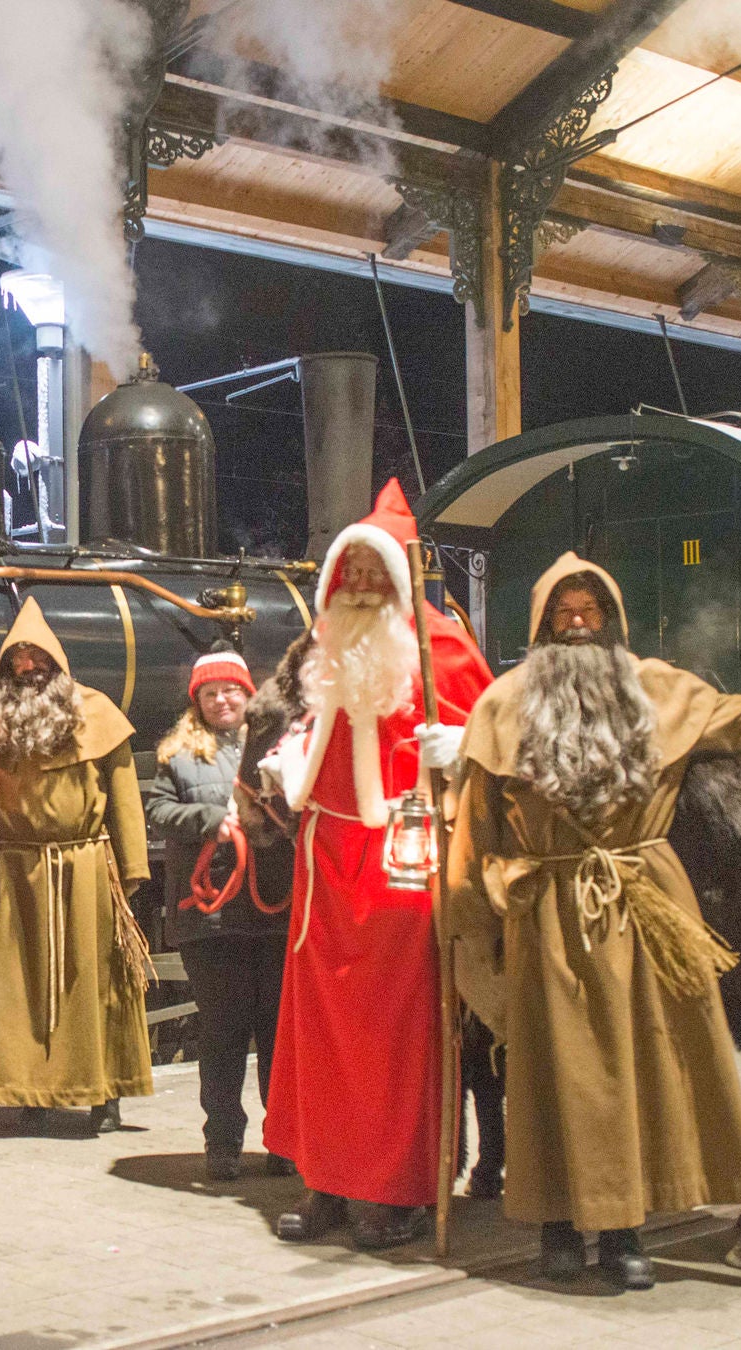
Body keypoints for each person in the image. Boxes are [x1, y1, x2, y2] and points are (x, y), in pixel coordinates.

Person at [446, 553, 741, 1290]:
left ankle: (621, 1231)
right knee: (549, 1078)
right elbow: (475, 829)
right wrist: (473, 916)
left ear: (611, 623)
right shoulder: (504, 705)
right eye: (564, 612)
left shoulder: (657, 691)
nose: (578, 624)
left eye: (590, 611)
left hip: (636, 908)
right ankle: (557, 1229)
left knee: (632, 1071)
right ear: (544, 623)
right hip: (547, 910)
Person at [258, 481, 492, 1251]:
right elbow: (318, 737)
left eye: (372, 573)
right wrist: (286, 763)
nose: (358, 587)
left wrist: (464, 751)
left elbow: (497, 740)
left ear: (399, 579)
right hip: (326, 873)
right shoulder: (326, 653)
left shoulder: (441, 647)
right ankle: (327, 1179)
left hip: (402, 868)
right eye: (347, 573)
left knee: (397, 1041)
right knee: (320, 1037)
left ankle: (399, 1191)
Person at [0, 597, 153, 1132]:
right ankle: (33, 1093)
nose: (27, 666)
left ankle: (104, 1094)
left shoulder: (98, 711)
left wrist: (132, 867)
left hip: (85, 868)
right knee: (20, 988)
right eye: (17, 658)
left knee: (95, 982)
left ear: (56, 662)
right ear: (5, 666)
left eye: (36, 656)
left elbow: (123, 792)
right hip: (16, 873)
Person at [146, 646, 294, 1181]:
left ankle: (284, 1139)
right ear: (197, 703)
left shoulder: (281, 748)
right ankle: (224, 1142)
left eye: (230, 689)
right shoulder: (178, 756)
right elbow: (158, 810)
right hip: (212, 922)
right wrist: (214, 817)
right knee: (223, 1032)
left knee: (279, 1033)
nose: (221, 699)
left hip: (274, 912)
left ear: (247, 693)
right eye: (210, 693)